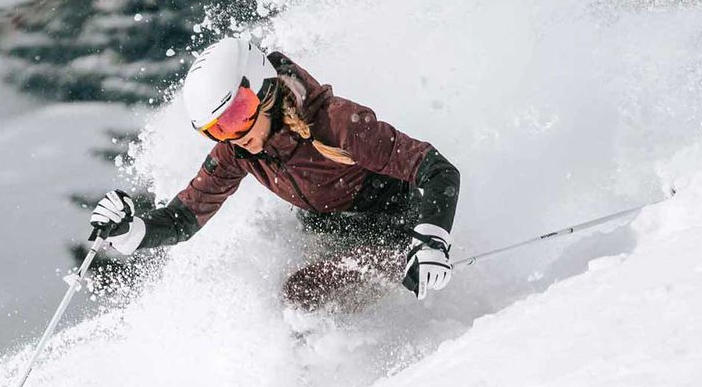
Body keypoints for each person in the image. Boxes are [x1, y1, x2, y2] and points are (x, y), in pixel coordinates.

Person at [88, 35, 460, 311]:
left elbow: (436, 170)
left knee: (300, 295)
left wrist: (430, 240)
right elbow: (184, 217)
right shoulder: (239, 151)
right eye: (216, 130)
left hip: (399, 231)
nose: (234, 136)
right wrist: (133, 231)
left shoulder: (337, 124)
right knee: (272, 293)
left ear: (265, 90)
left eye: (237, 115)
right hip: (337, 230)